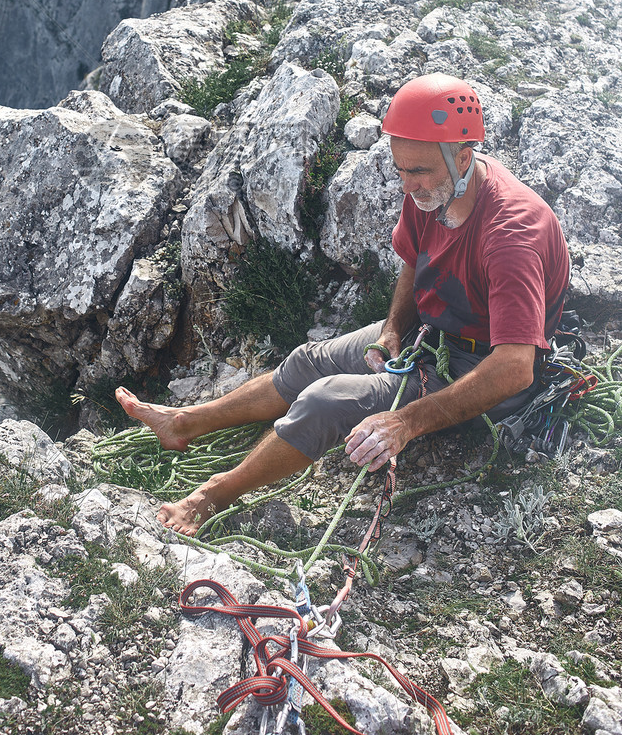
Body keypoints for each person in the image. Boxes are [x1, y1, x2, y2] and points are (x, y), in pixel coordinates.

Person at [116, 74, 570, 535]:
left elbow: (516, 366)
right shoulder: (436, 187)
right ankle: (183, 422)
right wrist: (392, 328)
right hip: (431, 335)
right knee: (305, 362)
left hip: (483, 365)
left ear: (464, 158)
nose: (408, 186)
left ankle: (212, 495)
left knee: (324, 401)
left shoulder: (512, 235)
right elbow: (416, 262)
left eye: (418, 172)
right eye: (400, 170)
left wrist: (406, 422)